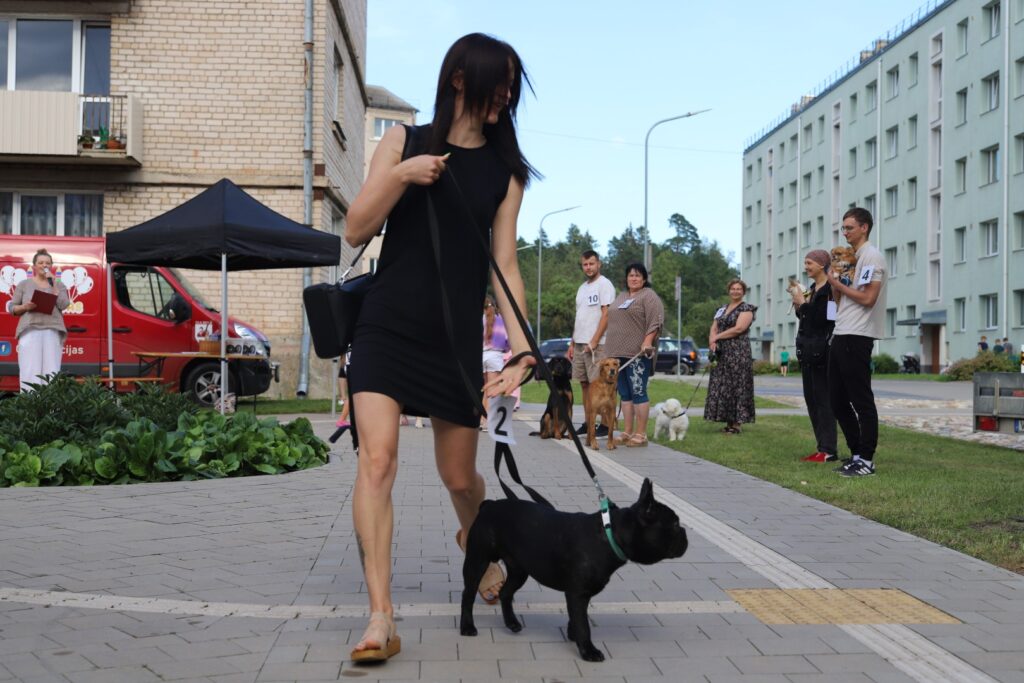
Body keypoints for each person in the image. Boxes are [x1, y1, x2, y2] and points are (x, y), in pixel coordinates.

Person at [342, 33, 537, 663]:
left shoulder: (506, 174)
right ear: (460, 79)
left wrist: (523, 351)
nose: (506, 96)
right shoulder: (404, 141)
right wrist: (403, 174)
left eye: (512, 87)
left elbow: (505, 265)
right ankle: (381, 616)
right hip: (385, 326)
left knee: (458, 476)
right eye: (499, 83)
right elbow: (356, 227)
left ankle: (472, 539)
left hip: (452, 338)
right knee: (377, 463)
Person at [827, 207, 887, 477]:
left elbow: (868, 299)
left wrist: (837, 283)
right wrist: (835, 283)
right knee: (837, 400)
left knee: (861, 400)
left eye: (849, 227)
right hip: (841, 332)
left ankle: (867, 459)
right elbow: (842, 300)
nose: (845, 232)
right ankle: (855, 453)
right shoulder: (852, 258)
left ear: (864, 227)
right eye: (843, 228)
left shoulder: (871, 256)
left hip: (858, 334)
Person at [603, 263, 664, 447]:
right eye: (630, 275)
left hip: (637, 354)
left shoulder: (649, 296)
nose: (634, 278)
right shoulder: (622, 296)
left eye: (637, 275)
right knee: (625, 393)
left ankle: (641, 434)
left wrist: (648, 341)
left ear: (644, 279)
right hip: (616, 354)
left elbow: (656, 321)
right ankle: (627, 432)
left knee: (638, 391)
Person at [791, 249, 837, 463]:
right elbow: (805, 318)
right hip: (808, 350)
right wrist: (799, 305)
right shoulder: (812, 288)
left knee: (823, 400)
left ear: (821, 264)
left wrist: (803, 304)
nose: (806, 267)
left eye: (809, 263)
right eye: (805, 262)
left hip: (823, 352)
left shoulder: (830, 290)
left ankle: (828, 450)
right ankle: (821, 447)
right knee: (811, 400)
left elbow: (826, 319)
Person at [567, 250, 615, 437]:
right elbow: (580, 317)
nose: (588, 267)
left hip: (597, 344)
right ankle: (589, 423)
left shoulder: (604, 284)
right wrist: (572, 343)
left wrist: (594, 341)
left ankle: (605, 425)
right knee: (585, 384)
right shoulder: (582, 288)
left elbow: (607, 314)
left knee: (600, 386)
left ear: (599, 264)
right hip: (580, 343)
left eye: (591, 264)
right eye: (585, 264)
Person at [9, 249, 70, 392]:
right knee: (30, 369)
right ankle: (30, 402)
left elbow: (64, 304)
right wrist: (25, 307)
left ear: (51, 266)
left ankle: (50, 404)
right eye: (41, 262)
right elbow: (12, 308)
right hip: (30, 330)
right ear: (34, 266)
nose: (44, 265)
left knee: (51, 370)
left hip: (52, 330)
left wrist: (54, 284)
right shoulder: (24, 284)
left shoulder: (58, 284)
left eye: (47, 263)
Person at [704, 278, 757, 434]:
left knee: (737, 385)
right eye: (733, 288)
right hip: (722, 352)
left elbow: (739, 328)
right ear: (729, 291)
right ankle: (728, 422)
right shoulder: (722, 308)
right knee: (723, 386)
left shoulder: (746, 309)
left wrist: (717, 337)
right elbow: (714, 327)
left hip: (738, 352)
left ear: (743, 292)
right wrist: (712, 341)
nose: (735, 291)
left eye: (739, 289)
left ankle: (737, 424)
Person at [481, 295, 510, 430]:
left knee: (485, 390)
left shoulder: (480, 319)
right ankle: (487, 421)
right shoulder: (501, 320)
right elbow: (507, 341)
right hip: (495, 356)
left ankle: (481, 419)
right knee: (492, 391)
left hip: (482, 356)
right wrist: (506, 349)